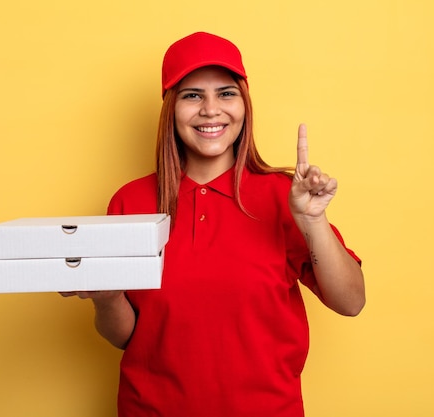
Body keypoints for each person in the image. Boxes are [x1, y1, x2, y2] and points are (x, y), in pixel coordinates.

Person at [62, 32, 365, 417]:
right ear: (171, 108)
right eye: (192, 95)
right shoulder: (130, 202)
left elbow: (352, 302)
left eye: (225, 93)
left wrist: (312, 220)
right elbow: (128, 338)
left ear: (244, 104)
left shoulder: (286, 197)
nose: (210, 110)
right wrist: (106, 299)